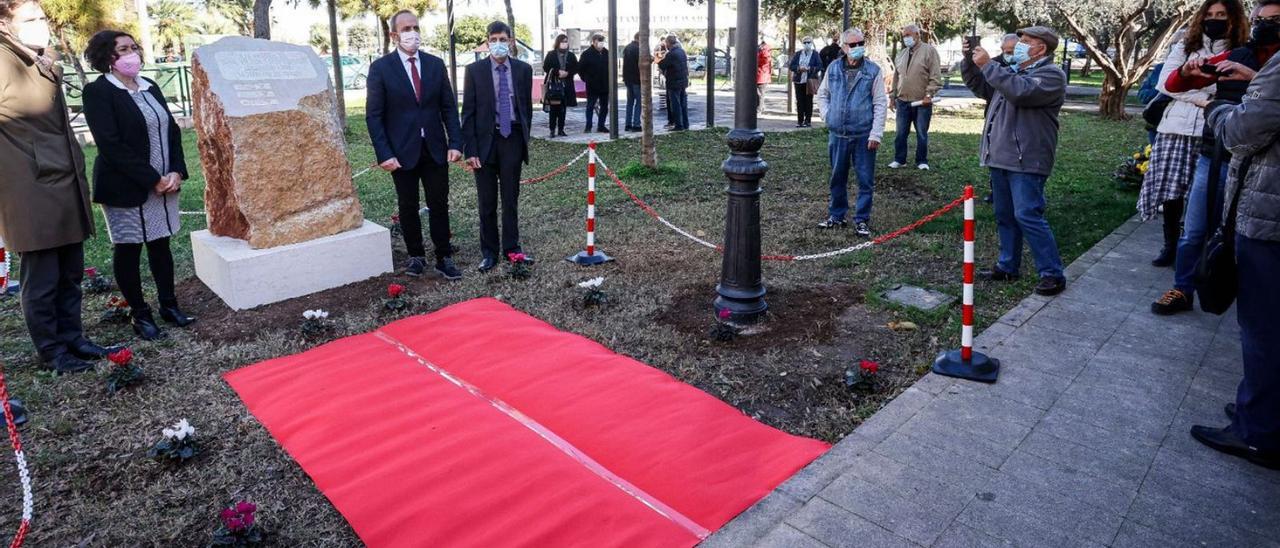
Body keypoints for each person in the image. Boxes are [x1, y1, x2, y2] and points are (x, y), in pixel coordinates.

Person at [0, 0, 119, 374]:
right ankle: (52, 350)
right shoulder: (4, 60)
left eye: (42, 17)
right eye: (29, 19)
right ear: (4, 23)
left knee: (70, 269)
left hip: (63, 178)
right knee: (43, 275)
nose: (41, 25)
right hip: (29, 187)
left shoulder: (40, 58)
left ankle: (74, 338)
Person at [1191, 5, 1280, 468]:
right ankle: (1263, 409)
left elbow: (1243, 133)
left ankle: (1259, 432)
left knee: (1263, 328)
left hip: (1269, 218)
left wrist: (1219, 108)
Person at [82, 29, 195, 341]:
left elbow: (171, 131)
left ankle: (169, 305)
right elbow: (110, 144)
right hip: (125, 185)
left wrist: (175, 172)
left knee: (160, 244)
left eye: (133, 47)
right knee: (129, 249)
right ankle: (140, 314)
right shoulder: (99, 92)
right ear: (107, 57)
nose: (132, 53)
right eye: (123, 49)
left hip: (164, 182)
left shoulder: (150, 86)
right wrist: (151, 179)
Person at [1148, 0, 1252, 315]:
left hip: (1231, 145)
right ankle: (1182, 287)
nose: (1215, 20)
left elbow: (1251, 93)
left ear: (1235, 19)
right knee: (1187, 215)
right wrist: (1209, 99)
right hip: (1191, 136)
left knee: (1228, 225)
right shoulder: (1186, 44)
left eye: (1222, 15)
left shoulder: (1245, 51)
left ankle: (1224, 285)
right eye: (1209, 15)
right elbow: (1169, 84)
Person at [962, 26, 1068, 296]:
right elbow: (984, 86)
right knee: (1005, 215)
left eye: (1025, 42)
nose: (1019, 46)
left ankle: (1052, 274)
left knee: (1027, 214)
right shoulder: (1014, 72)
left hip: (1027, 160)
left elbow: (1021, 92)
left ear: (1040, 48)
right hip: (1001, 157)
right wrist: (970, 61)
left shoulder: (1051, 75)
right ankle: (1008, 266)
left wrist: (989, 65)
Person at [366, 9, 464, 280]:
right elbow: (374, 116)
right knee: (408, 205)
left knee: (439, 204)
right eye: (406, 29)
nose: (413, 34)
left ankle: (444, 256)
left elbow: (448, 108)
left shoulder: (434, 64)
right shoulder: (381, 69)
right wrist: (384, 153)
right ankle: (416, 256)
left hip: (435, 148)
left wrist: (455, 142)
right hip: (400, 152)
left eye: (415, 27)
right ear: (394, 34)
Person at [462, 21, 534, 272]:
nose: (498, 44)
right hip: (484, 142)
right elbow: (467, 114)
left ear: (511, 42)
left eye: (503, 39)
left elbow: (525, 108)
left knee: (510, 198)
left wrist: (524, 136)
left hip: (512, 138)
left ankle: (512, 249)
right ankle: (489, 252)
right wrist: (470, 150)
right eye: (493, 39)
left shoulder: (523, 70)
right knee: (487, 201)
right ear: (487, 42)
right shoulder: (474, 71)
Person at [816, 28, 887, 237]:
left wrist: (876, 134)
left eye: (861, 43)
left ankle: (862, 219)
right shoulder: (834, 68)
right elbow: (823, 94)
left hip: (863, 135)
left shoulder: (873, 71)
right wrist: (827, 115)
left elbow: (880, 103)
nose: (858, 48)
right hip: (837, 134)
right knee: (837, 177)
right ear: (844, 47)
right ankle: (837, 215)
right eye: (853, 45)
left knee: (865, 180)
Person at [889, 23, 942, 170]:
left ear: (917, 35)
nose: (906, 38)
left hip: (921, 102)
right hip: (903, 101)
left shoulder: (929, 51)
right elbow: (896, 76)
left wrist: (929, 94)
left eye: (908, 35)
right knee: (900, 133)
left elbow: (935, 75)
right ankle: (900, 159)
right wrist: (893, 96)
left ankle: (922, 161)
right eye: (904, 36)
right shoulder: (902, 54)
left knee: (921, 133)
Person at [541, 34, 577, 138]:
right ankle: (552, 129)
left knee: (563, 109)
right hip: (554, 84)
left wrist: (568, 73)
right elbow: (546, 67)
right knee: (554, 108)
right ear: (558, 43)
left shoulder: (571, 55)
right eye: (562, 41)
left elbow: (576, 67)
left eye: (566, 41)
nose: (564, 43)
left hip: (566, 84)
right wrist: (557, 72)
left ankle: (561, 129)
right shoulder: (551, 54)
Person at [578, 33, 609, 133]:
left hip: (605, 84)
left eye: (602, 41)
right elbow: (580, 69)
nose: (600, 43)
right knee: (590, 106)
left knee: (604, 106)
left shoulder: (607, 53)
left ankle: (601, 125)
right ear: (594, 42)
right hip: (592, 85)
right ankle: (588, 126)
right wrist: (586, 79)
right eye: (598, 41)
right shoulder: (587, 54)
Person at [788, 36, 822, 127]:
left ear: (811, 43)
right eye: (805, 42)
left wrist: (809, 69)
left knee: (808, 101)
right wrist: (799, 68)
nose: (807, 44)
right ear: (802, 44)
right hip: (799, 81)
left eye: (808, 42)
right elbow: (791, 66)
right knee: (799, 101)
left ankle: (808, 120)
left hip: (809, 80)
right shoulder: (798, 54)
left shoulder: (815, 54)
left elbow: (819, 66)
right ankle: (800, 121)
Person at [657, 35, 689, 131]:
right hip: (683, 81)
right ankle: (685, 123)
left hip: (674, 82)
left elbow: (663, 65)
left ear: (668, 43)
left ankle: (678, 125)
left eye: (666, 43)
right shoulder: (682, 51)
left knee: (675, 104)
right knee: (683, 103)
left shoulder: (671, 54)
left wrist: (659, 56)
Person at [623, 32, 641, 132]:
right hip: (637, 79)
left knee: (630, 102)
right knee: (639, 102)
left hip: (628, 79)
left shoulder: (627, 48)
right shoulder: (638, 49)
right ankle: (636, 124)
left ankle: (628, 124)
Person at [756, 40, 772, 114]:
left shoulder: (765, 48)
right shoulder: (759, 48)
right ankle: (761, 107)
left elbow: (766, 60)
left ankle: (759, 109)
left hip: (762, 75)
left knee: (759, 94)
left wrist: (755, 61)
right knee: (757, 94)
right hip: (758, 75)